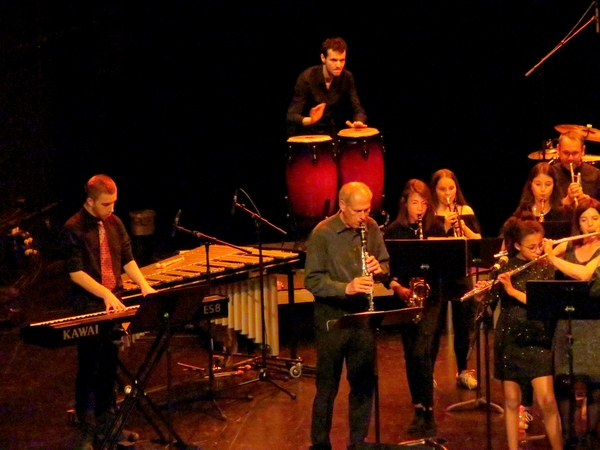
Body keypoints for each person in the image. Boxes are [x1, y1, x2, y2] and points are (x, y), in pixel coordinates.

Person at [60, 174, 156, 450]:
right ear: (90, 201)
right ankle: (87, 430)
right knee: (89, 367)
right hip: (90, 304)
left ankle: (108, 424)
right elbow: (75, 271)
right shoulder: (73, 228)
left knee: (109, 367)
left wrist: (144, 286)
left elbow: (127, 258)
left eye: (114, 203)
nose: (111, 209)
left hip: (116, 302)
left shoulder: (114, 223)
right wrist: (105, 294)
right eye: (106, 204)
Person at [304, 181, 389, 450]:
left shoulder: (371, 227)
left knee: (363, 383)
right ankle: (320, 445)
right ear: (342, 206)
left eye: (367, 209)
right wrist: (346, 287)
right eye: (359, 211)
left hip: (362, 316)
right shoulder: (322, 233)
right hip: (332, 318)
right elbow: (312, 280)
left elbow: (386, 264)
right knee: (327, 387)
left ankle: (357, 443)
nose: (365, 216)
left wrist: (380, 268)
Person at [475, 216, 562, 450]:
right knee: (512, 401)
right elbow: (489, 304)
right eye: (531, 247)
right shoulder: (506, 268)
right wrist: (484, 294)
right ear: (517, 246)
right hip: (510, 338)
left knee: (547, 401)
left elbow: (543, 303)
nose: (537, 250)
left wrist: (512, 291)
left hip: (538, 337)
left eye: (540, 244)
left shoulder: (547, 266)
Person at [384, 179, 445, 437]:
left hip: (432, 299)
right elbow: (387, 271)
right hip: (406, 298)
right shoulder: (393, 232)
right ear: (405, 203)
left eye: (423, 203)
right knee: (412, 354)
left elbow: (445, 266)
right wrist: (398, 287)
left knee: (424, 352)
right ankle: (419, 408)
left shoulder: (436, 229)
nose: (419, 208)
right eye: (414, 203)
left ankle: (428, 411)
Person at [544, 198, 600, 445]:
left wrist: (552, 259)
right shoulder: (568, 247)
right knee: (565, 381)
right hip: (568, 322)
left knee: (596, 383)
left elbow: (585, 273)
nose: (590, 224)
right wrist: (542, 249)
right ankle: (569, 436)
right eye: (584, 219)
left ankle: (590, 436)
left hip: (595, 323)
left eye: (595, 219)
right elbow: (539, 255)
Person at [429, 168, 481, 390]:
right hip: (438, 276)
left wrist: (462, 226)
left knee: (463, 326)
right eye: (442, 189)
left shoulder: (464, 209)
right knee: (434, 326)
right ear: (434, 190)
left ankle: (463, 370)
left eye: (451, 188)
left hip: (461, 275)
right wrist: (446, 227)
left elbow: (478, 239)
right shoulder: (429, 213)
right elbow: (428, 243)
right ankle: (428, 373)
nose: (447, 193)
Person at [286, 37, 367, 138]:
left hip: (330, 135)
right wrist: (311, 120)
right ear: (323, 58)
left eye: (342, 60)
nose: (338, 65)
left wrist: (358, 121)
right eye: (333, 60)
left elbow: (357, 108)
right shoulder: (307, 78)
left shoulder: (347, 77)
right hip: (307, 135)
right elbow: (291, 115)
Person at [548, 131, 600, 207]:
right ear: (558, 149)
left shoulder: (596, 174)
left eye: (575, 153)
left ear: (583, 150)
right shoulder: (550, 173)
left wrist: (589, 201)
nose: (570, 158)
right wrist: (565, 201)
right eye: (566, 153)